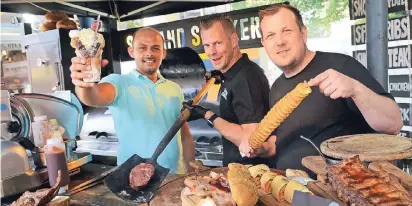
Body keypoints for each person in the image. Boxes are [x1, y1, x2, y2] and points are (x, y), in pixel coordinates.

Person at [239, 3, 403, 173]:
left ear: (303, 33)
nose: (280, 41)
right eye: (271, 35)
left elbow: (393, 123)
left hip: (337, 193)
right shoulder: (277, 88)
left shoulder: (341, 67)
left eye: (286, 31)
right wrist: (261, 148)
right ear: (264, 43)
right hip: (293, 191)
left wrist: (355, 89)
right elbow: (278, 143)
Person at [70, 27, 194, 174]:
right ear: (131, 52)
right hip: (134, 182)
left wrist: (191, 172)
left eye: (155, 48)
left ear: (163, 53)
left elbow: (184, 134)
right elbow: (91, 96)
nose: (149, 53)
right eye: (142, 48)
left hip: (174, 177)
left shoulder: (174, 89)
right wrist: (82, 83)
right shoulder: (119, 83)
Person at [183, 14, 275, 166]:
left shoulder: (246, 78)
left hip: (251, 174)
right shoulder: (232, 74)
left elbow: (251, 141)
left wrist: (207, 115)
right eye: (206, 45)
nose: (211, 52)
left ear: (233, 40)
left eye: (217, 43)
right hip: (236, 169)